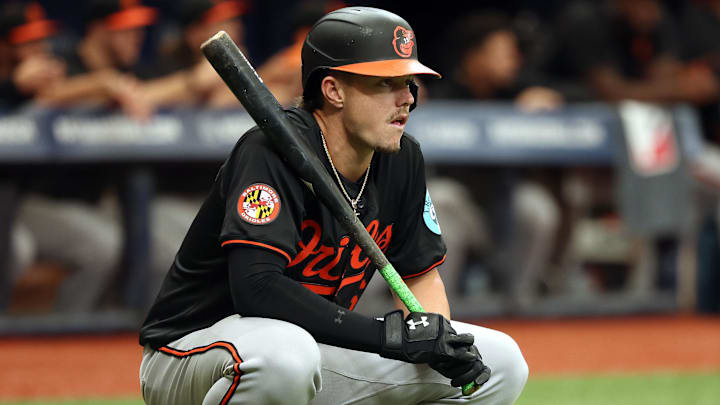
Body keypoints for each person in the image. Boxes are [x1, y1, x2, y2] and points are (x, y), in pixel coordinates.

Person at [139, 7, 528, 405]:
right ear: (334, 90)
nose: (407, 99)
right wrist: (387, 337)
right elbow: (257, 290)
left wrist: (433, 339)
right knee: (285, 357)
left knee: (501, 362)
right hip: (194, 350)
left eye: (410, 83)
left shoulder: (401, 157)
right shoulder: (271, 150)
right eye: (386, 83)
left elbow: (419, 276)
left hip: (307, 345)